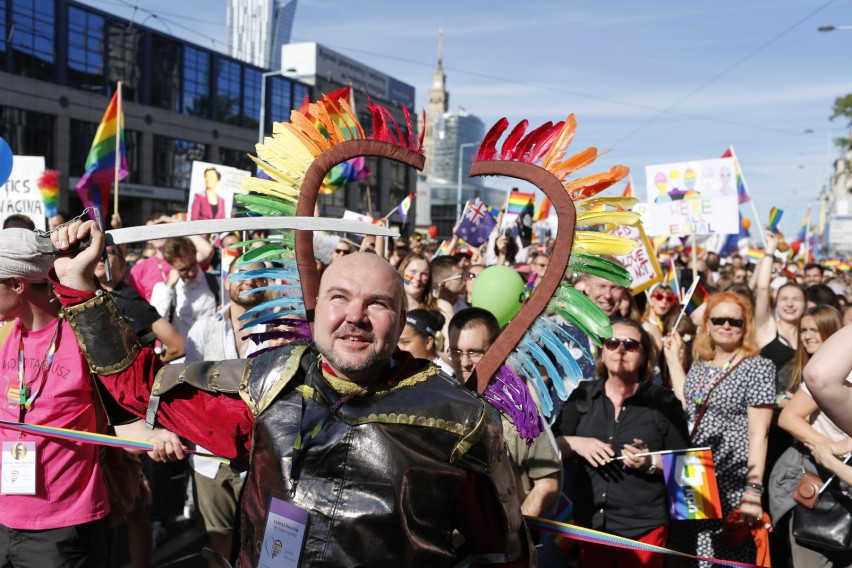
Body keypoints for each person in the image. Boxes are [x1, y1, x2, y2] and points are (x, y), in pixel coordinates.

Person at [49, 221, 533, 568]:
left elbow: (501, 553)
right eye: (339, 297)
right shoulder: (267, 382)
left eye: (377, 304)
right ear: (317, 307)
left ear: (402, 320)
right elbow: (141, 389)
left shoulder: (461, 419)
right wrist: (77, 285)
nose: (355, 316)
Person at [0, 228, 179, 568]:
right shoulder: (6, 335)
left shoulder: (88, 337)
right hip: (4, 520)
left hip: (64, 529)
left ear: (17, 284)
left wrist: (154, 438)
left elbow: (126, 420)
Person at [554, 318, 689, 568]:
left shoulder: (663, 402)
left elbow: (690, 468)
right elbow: (550, 449)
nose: (621, 349)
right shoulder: (582, 396)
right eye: (612, 342)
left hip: (642, 529)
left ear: (644, 355)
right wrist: (577, 443)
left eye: (631, 344)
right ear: (602, 352)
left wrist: (650, 461)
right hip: (590, 527)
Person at [664, 291, 775, 566]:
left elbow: (759, 434)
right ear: (708, 325)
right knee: (691, 553)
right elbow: (689, 403)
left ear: (745, 327)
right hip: (692, 470)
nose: (726, 326)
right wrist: (673, 362)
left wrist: (753, 490)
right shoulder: (701, 365)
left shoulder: (759, 367)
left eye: (735, 322)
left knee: (726, 554)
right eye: (719, 319)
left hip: (731, 476)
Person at [184, 262, 271, 567]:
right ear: (227, 279)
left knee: (261, 539)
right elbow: (189, 389)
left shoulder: (279, 332)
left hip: (261, 455)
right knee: (219, 541)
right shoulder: (203, 328)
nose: (250, 280)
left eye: (258, 274)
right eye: (242, 273)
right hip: (211, 456)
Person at [447, 307, 561, 518]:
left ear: (495, 349)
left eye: (473, 352)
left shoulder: (521, 412)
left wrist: (516, 531)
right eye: (455, 351)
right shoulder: (441, 402)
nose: (463, 362)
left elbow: (547, 484)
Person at [771, 306, 852, 566]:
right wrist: (832, 446)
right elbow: (789, 416)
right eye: (803, 330)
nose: (807, 336)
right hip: (821, 485)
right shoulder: (841, 375)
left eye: (814, 330)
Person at [150, 237, 218, 341]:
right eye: (183, 270)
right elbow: (157, 327)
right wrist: (169, 287)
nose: (190, 273)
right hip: (184, 355)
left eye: (193, 265)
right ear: (172, 266)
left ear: (195, 255)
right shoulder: (162, 289)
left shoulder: (215, 282)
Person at [397, 309, 453, 376]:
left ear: (428, 342)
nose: (398, 348)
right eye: (396, 342)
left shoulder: (445, 376)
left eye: (405, 342)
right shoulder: (399, 371)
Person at [642, 285, 677, 351]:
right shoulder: (644, 327)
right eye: (659, 297)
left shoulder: (671, 326)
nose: (664, 302)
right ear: (650, 299)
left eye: (669, 298)